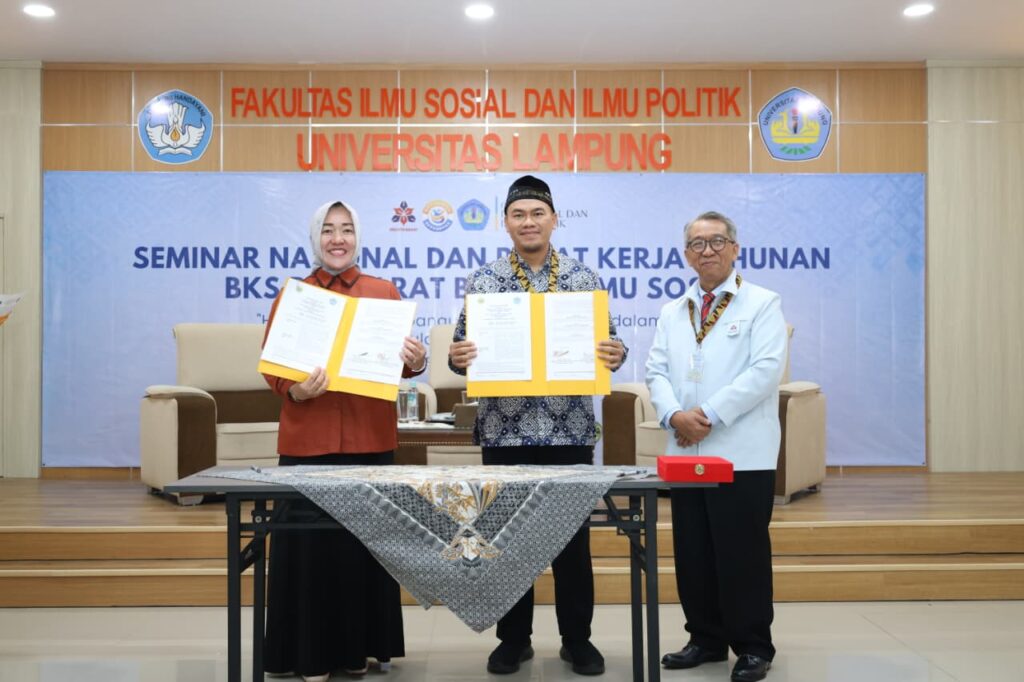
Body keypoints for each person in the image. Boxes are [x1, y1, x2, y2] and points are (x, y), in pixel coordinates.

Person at [447, 175, 627, 676]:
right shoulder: (484, 282)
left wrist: (616, 353)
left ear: (554, 219)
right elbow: (462, 352)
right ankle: (513, 640)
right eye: (519, 214)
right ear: (506, 223)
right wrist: (457, 357)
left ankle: (578, 640)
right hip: (504, 432)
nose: (529, 222)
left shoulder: (584, 279)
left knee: (572, 543)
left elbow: (610, 344)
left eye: (537, 213)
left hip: (569, 431)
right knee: (505, 543)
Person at [261, 200, 427, 682]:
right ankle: (307, 655)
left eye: (347, 229)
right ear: (316, 238)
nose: (338, 239)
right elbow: (273, 364)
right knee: (308, 552)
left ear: (358, 237)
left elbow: (400, 366)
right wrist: (294, 389)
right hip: (307, 442)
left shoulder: (383, 291)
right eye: (329, 230)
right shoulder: (294, 294)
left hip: (368, 438)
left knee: (364, 549)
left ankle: (360, 650)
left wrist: (415, 361)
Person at [645, 210, 787, 682]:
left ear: (735, 248)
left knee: (741, 552)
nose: (707, 251)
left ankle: (753, 646)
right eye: (697, 244)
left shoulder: (762, 303)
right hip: (686, 451)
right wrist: (674, 415)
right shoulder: (673, 311)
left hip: (740, 452)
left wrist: (706, 415)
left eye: (717, 241)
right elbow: (656, 371)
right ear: (686, 254)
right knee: (694, 552)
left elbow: (765, 371)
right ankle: (705, 638)